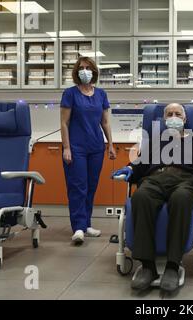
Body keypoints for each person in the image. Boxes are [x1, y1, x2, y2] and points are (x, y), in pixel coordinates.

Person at [112, 103, 193, 293]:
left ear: (185, 119)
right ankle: (148, 267)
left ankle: (173, 266)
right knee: (140, 197)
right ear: (164, 120)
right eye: (169, 114)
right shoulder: (155, 141)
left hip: (184, 180)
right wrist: (129, 169)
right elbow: (139, 166)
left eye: (177, 114)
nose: (173, 117)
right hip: (154, 179)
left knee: (181, 199)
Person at [60, 56, 116, 245]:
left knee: (91, 186)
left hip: (96, 147)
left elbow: (105, 122)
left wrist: (110, 144)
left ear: (94, 71)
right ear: (77, 72)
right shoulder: (70, 94)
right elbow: (64, 123)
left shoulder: (101, 94)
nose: (85, 70)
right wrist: (66, 147)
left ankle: (86, 224)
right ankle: (77, 227)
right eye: (82, 68)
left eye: (88, 67)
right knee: (78, 187)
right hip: (76, 147)